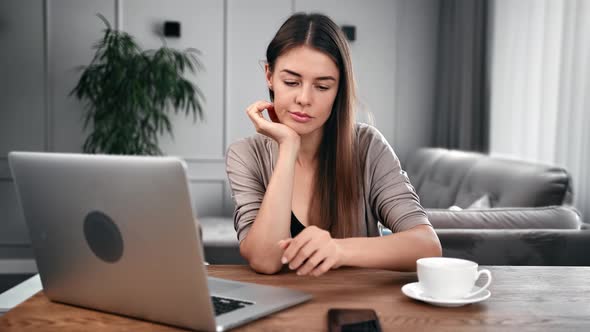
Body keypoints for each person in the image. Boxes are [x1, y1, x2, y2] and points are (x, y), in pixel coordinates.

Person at [226, 13, 441, 276]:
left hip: (354, 307)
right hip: (279, 311)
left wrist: (339, 250)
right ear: (269, 75)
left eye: (323, 86)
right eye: (291, 82)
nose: (304, 98)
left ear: (339, 89)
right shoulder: (245, 154)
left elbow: (428, 246)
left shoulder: (368, 146)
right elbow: (265, 260)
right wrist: (288, 146)